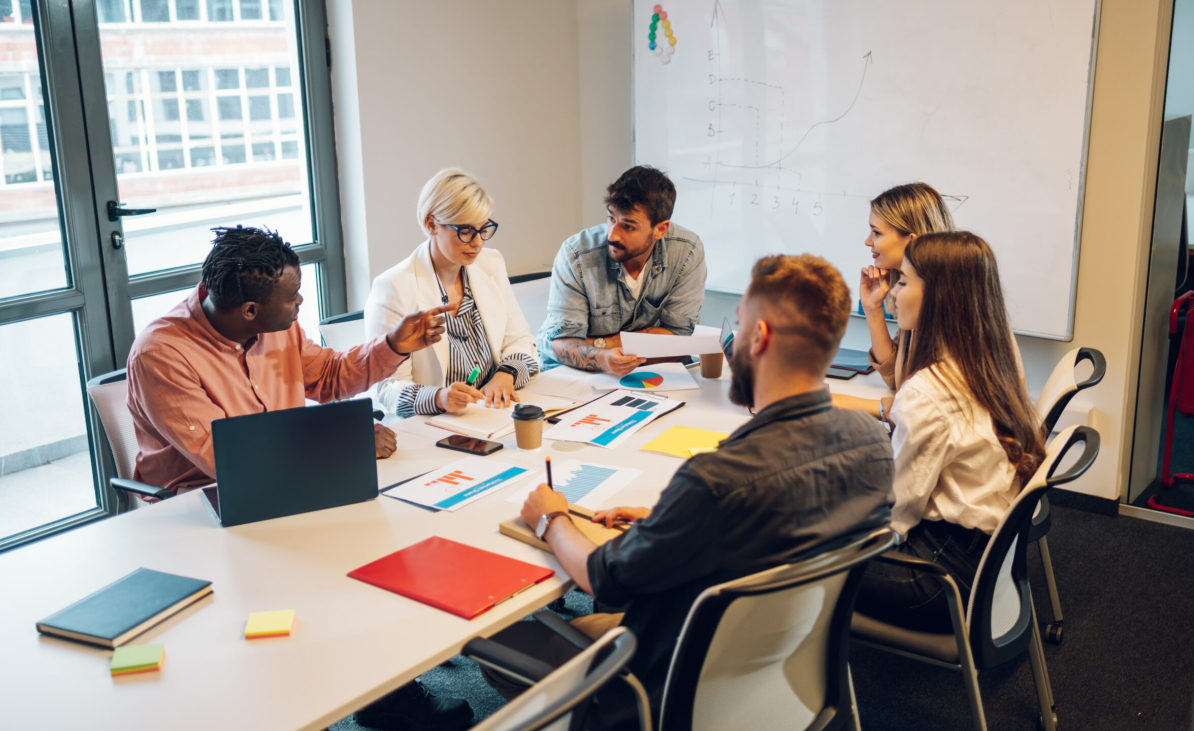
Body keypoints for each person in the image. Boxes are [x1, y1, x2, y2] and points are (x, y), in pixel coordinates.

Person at [490, 254, 893, 719]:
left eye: (737, 327)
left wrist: (551, 519)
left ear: (758, 339)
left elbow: (604, 579)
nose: (731, 341)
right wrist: (669, 523)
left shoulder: (715, 482)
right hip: (779, 677)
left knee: (508, 642)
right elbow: (783, 528)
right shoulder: (873, 446)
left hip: (665, 686)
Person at [126, 226, 457, 494]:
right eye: (291, 296)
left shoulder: (273, 322)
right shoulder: (160, 355)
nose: (300, 300)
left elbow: (329, 375)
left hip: (290, 475)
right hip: (202, 498)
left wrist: (393, 345)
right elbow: (228, 457)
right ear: (250, 311)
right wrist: (338, 441)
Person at [853, 231, 1046, 633]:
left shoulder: (927, 393)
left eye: (902, 282)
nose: (893, 293)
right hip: (986, 561)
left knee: (788, 550)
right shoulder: (986, 360)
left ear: (940, 297)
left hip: (939, 576)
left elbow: (895, 517)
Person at [365, 168, 539, 417]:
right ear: (431, 224)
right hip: (432, 426)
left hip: (492, 413)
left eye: (483, 229)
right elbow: (386, 388)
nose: (478, 242)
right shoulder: (393, 287)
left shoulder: (491, 263)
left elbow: (521, 340)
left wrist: (506, 374)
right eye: (466, 231)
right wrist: (439, 398)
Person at [537, 165, 707, 375]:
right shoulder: (576, 255)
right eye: (611, 218)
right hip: (569, 374)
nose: (613, 235)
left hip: (638, 371)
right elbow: (561, 343)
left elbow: (679, 339)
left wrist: (601, 344)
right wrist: (604, 358)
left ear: (660, 229)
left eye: (628, 226)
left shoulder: (686, 252)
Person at [832, 182, 956, 420]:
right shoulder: (914, 293)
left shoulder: (944, 306)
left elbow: (919, 409)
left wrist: (835, 402)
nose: (868, 242)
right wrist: (872, 308)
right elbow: (897, 379)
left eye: (876, 232)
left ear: (911, 241)